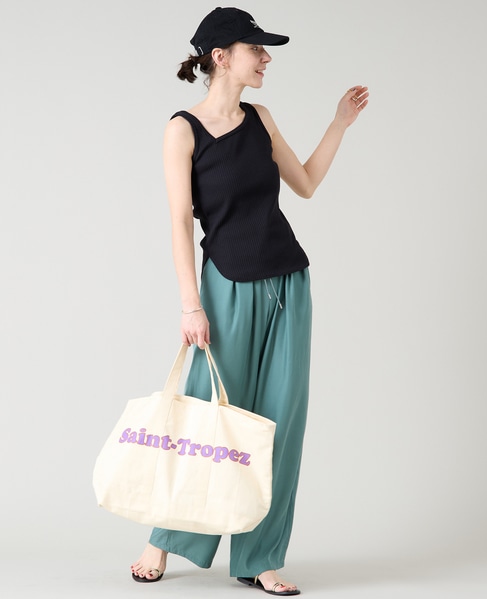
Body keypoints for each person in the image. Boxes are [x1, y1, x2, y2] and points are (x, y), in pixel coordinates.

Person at [130, 7, 368, 596]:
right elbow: (179, 222)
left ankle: (260, 557)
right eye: (255, 49)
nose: (265, 58)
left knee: (279, 424)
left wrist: (339, 123)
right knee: (208, 417)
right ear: (220, 56)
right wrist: (191, 304)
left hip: (289, 284)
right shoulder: (182, 129)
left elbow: (304, 184)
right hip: (226, 285)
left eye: (265, 50)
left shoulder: (261, 118)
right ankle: (162, 539)